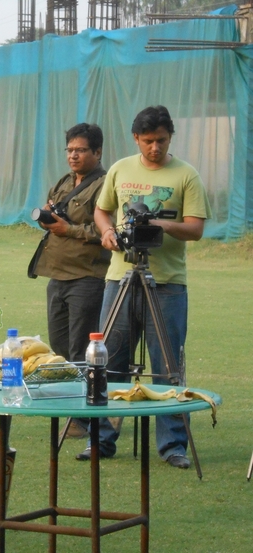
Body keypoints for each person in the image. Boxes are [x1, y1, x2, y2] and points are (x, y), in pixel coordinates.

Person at [77, 105, 211, 468]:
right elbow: (102, 210)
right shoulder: (120, 168)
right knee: (109, 362)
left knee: (167, 365)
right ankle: (100, 439)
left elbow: (196, 228)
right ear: (136, 138)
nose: (155, 148)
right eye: (148, 141)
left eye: (162, 141)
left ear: (171, 137)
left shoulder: (186, 174)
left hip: (167, 283)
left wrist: (161, 226)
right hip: (119, 278)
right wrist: (106, 231)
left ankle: (173, 446)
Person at [33, 123, 110, 439]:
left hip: (87, 277)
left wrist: (70, 230)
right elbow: (55, 223)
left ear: (97, 152)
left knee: (82, 349)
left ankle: (85, 417)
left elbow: (106, 232)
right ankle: (69, 406)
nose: (73, 156)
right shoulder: (64, 182)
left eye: (80, 150)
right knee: (60, 349)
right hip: (57, 276)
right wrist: (49, 218)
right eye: (70, 150)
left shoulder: (105, 185)